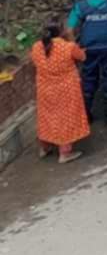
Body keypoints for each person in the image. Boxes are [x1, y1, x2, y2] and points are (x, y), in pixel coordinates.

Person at [30, 23, 89, 163]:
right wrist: (72, 38)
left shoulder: (37, 47)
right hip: (66, 89)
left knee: (47, 117)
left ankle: (44, 147)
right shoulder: (67, 46)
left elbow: (35, 61)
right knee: (65, 118)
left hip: (45, 89)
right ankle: (65, 153)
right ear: (61, 32)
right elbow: (82, 57)